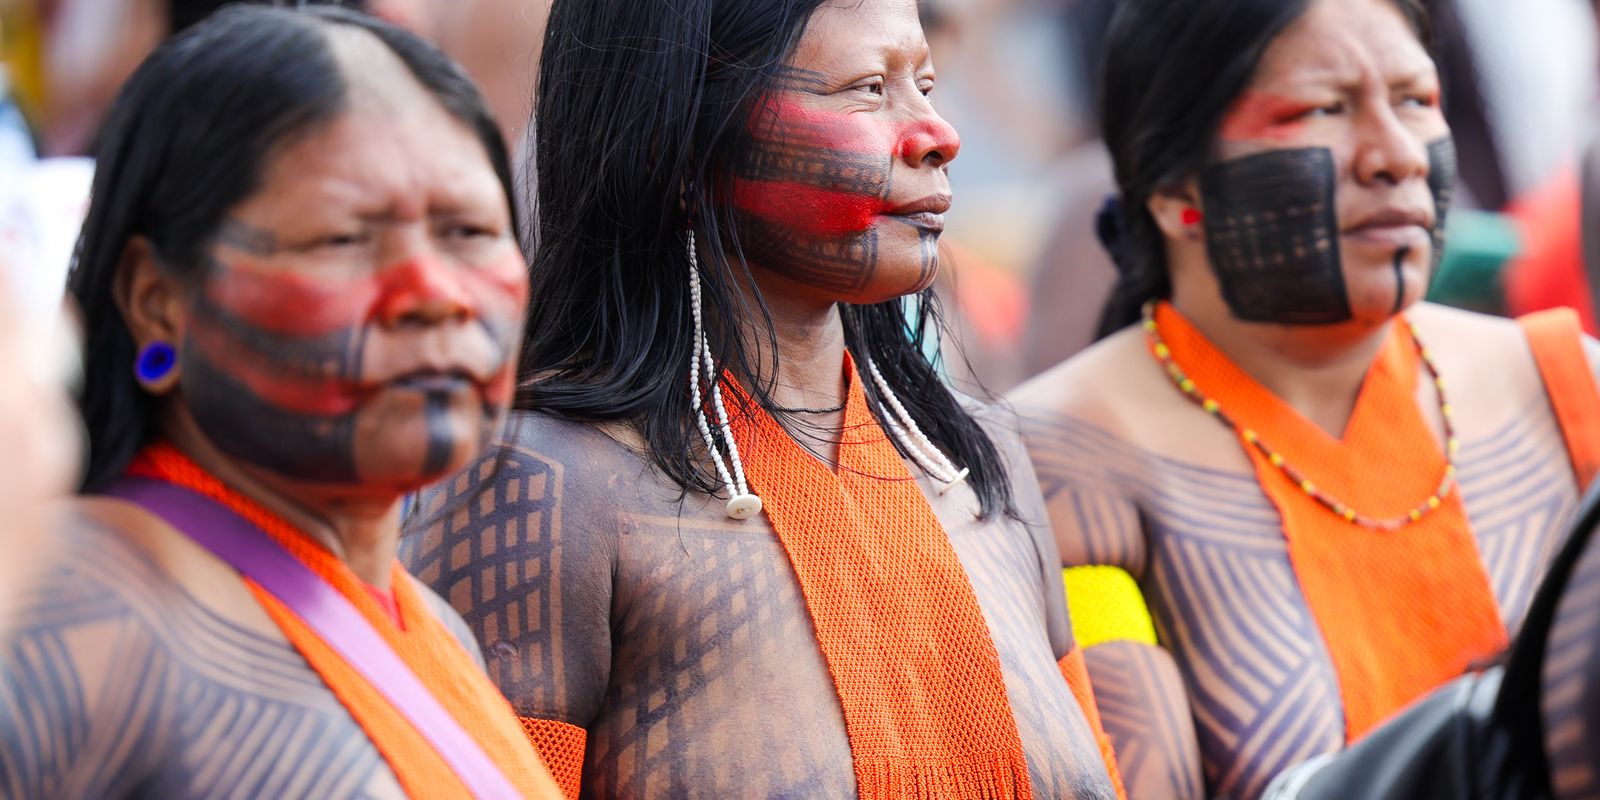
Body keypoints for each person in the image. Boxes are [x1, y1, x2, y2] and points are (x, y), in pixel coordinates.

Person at [401, 0, 1126, 797]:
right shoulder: (543, 489)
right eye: (868, 88)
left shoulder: (980, 461)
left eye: (923, 84)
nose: (938, 134)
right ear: (680, 144)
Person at [1008, 0, 1600, 797]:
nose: (1397, 156)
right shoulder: (1063, 465)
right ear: (1174, 187)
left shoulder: (1571, 389)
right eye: (1322, 109)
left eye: (1416, 100)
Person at [0, 7, 561, 797]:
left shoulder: (438, 630)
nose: (435, 293)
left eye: (468, 232)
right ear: (157, 300)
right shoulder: (84, 605)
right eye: (343, 239)